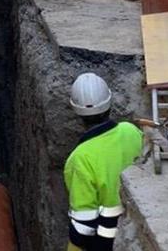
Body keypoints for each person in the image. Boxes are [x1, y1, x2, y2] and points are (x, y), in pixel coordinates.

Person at [64, 73, 143, 251]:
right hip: (132, 230)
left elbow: (83, 228)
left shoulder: (80, 158)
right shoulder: (131, 131)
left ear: (76, 111)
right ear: (109, 102)